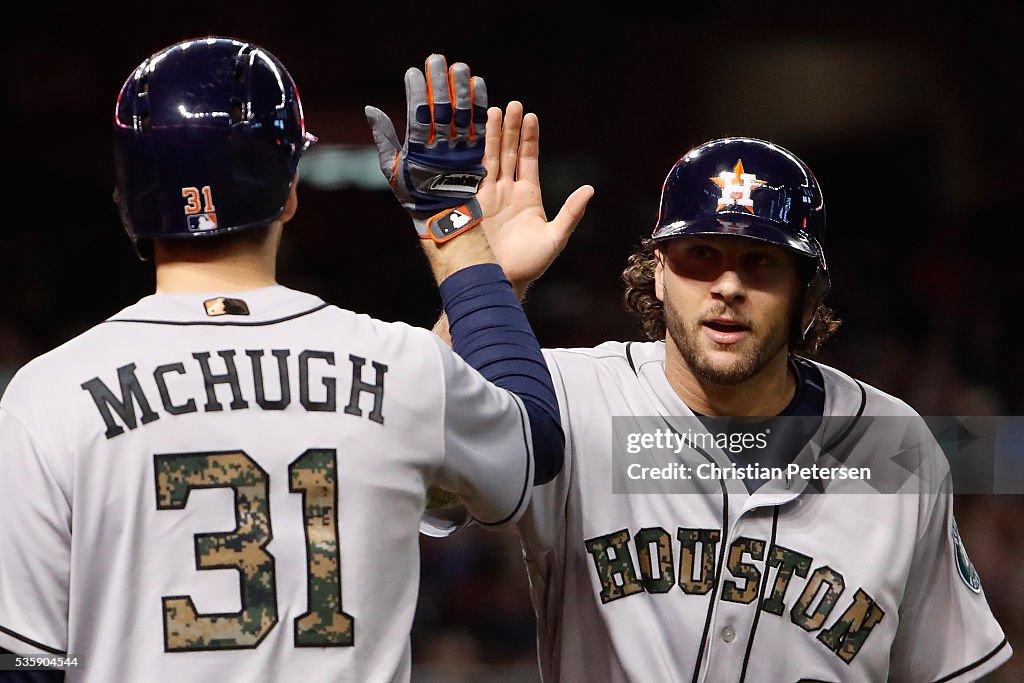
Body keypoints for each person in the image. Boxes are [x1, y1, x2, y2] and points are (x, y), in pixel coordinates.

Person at [0, 40, 563, 683]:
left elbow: (25, 662)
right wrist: (461, 239)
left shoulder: (46, 396)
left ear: (128, 204)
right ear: (289, 191)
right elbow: (535, 444)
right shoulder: (402, 367)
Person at [394, 101, 1012, 681]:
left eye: (761, 262)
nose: (728, 286)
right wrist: (486, 286)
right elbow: (434, 489)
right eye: (700, 255)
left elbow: (949, 667)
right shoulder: (572, 399)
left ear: (807, 293)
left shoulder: (894, 444)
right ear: (657, 274)